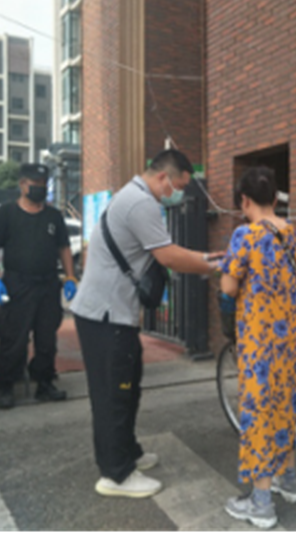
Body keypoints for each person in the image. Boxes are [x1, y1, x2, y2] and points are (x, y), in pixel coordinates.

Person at [71, 149, 222, 499]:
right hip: (105, 316)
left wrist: (206, 258)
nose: (177, 194)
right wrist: (214, 265)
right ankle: (116, 474)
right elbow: (168, 256)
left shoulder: (132, 195)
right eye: (178, 187)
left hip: (107, 313)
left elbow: (164, 250)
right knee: (114, 394)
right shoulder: (141, 204)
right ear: (164, 177)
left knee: (128, 386)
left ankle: (128, 452)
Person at [220, 166, 296, 530]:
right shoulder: (290, 232)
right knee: (284, 405)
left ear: (245, 200)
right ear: (274, 197)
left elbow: (228, 287)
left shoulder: (245, 234)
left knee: (257, 414)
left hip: (258, 340)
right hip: (288, 337)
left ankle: (261, 503)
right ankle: (290, 480)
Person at [0, 163, 77, 409]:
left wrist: (70, 276)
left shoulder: (53, 216)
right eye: (35, 185)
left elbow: (64, 248)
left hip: (48, 283)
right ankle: (6, 386)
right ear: (22, 184)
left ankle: (44, 383)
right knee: (14, 338)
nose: (40, 189)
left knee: (47, 339)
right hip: (18, 284)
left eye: (43, 185)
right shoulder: (6, 213)